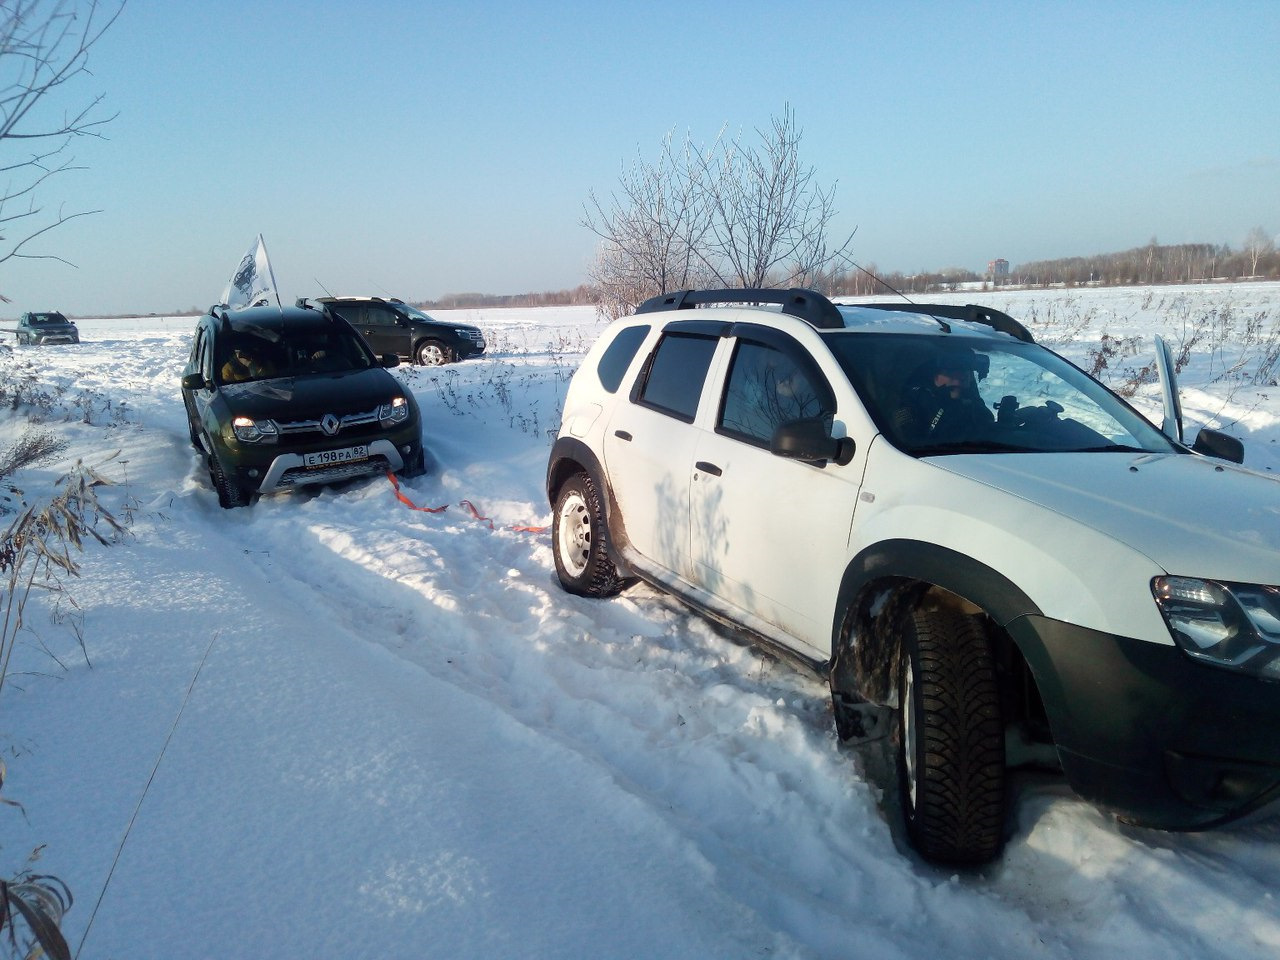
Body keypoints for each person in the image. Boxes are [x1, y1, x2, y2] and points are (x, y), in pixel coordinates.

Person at [894, 347, 994, 444]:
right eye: (950, 373)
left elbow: (987, 429)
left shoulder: (971, 402)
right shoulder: (914, 403)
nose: (960, 378)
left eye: (966, 372)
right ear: (933, 375)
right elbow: (908, 442)